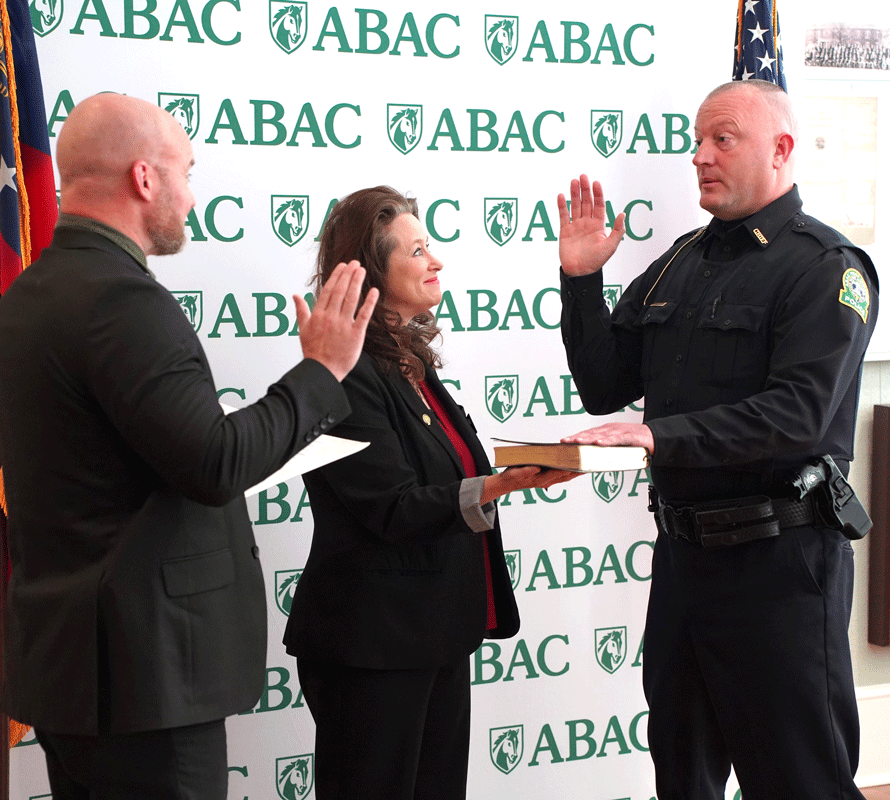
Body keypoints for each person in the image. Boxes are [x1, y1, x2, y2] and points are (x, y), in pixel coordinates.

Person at [0, 93, 377, 800]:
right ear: (145, 179)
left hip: (74, 674)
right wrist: (321, 370)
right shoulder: (120, 299)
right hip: (144, 683)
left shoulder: (29, 293)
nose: (193, 198)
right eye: (187, 172)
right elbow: (214, 462)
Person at [556, 80, 877, 800]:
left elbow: (796, 414)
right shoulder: (681, 261)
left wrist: (656, 437)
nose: (700, 155)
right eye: (697, 141)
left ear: (781, 149)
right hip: (684, 564)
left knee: (801, 780)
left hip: (779, 568)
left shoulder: (828, 267)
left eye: (722, 139)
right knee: (683, 770)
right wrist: (582, 282)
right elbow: (606, 383)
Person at [282, 186, 580, 800]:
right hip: (372, 645)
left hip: (432, 633)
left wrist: (529, 464)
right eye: (418, 251)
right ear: (371, 271)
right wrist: (501, 485)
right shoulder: (349, 372)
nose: (436, 262)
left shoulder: (410, 365)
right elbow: (389, 507)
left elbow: (445, 474)